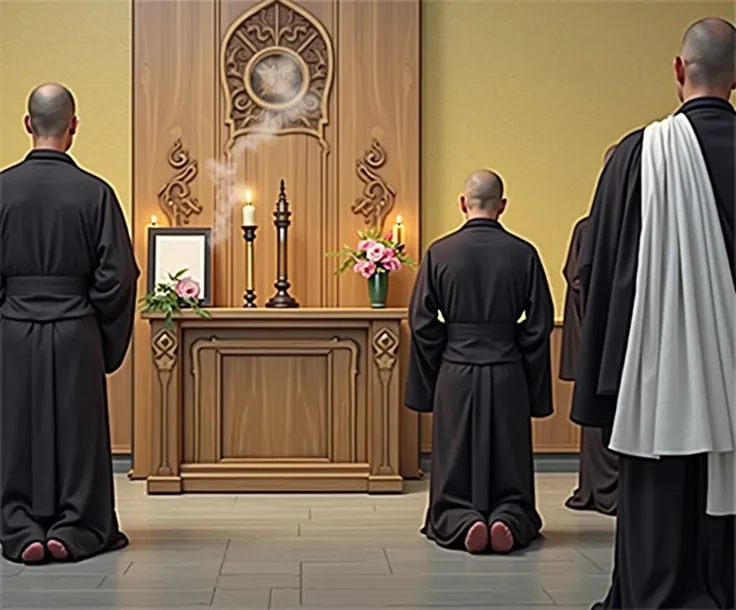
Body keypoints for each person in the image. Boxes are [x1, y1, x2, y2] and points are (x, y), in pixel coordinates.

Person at [570, 18, 735, 609]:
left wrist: (608, 381)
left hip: (657, 376)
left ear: (677, 69)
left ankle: (657, 594)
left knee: (659, 500)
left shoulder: (640, 154)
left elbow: (603, 270)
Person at [0, 83, 138, 564]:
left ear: (27, 124)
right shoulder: (95, 193)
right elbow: (118, 273)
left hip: (13, 329)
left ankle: (20, 529)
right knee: (78, 431)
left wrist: (8, 310)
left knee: (14, 427)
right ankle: (76, 527)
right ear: (73, 127)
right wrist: (96, 325)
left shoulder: (0, 190)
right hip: (76, 328)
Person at [405, 169, 554, 554]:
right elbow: (539, 326)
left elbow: (421, 321)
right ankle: (509, 517)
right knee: (509, 452)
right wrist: (515, 352)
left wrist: (445, 354)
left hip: (456, 370)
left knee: (454, 453)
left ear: (462, 202)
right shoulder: (524, 253)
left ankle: (460, 518)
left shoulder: (440, 252)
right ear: (502, 206)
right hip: (507, 370)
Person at [562, 145, 619, 517]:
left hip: (600, 335)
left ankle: (598, 489)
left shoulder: (589, 227)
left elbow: (578, 278)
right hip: (619, 334)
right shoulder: (591, 228)